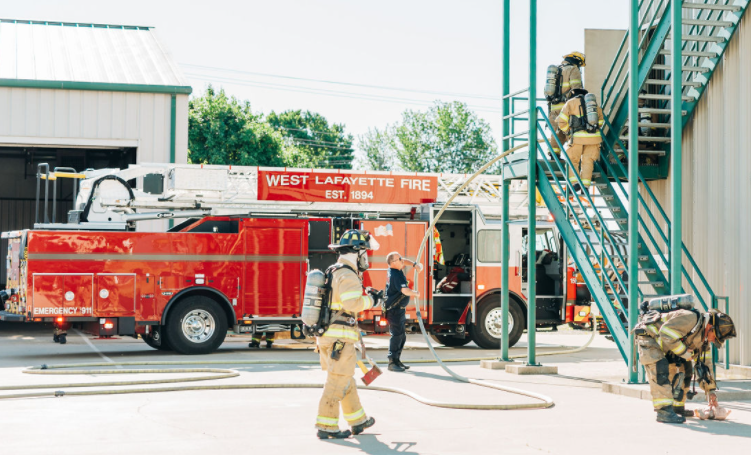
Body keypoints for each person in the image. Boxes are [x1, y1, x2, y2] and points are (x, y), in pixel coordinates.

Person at [315, 229, 379, 439]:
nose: (366, 257)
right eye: (364, 253)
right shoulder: (348, 273)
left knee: (345, 378)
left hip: (329, 337)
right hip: (339, 339)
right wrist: (374, 301)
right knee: (337, 380)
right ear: (356, 252)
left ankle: (358, 421)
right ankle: (326, 426)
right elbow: (353, 303)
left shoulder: (334, 270)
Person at [634, 304, 736, 423]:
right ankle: (664, 412)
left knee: (686, 369)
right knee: (660, 371)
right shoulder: (690, 318)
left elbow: (706, 366)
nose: (713, 341)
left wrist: (711, 391)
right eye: (715, 337)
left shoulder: (703, 340)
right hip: (649, 338)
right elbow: (666, 332)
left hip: (666, 344)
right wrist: (683, 351)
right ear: (710, 327)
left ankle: (677, 408)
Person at [556, 88, 604, 194]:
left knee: (572, 160)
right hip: (594, 139)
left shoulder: (570, 103)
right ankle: (585, 187)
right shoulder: (594, 105)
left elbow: (561, 121)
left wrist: (568, 132)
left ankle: (575, 184)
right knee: (588, 161)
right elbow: (600, 120)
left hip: (577, 138)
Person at [384, 251, 422, 372]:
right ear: (393, 262)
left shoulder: (394, 270)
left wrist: (414, 264)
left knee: (402, 336)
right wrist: (415, 293)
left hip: (397, 310)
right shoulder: (396, 275)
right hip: (395, 310)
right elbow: (405, 291)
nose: (402, 261)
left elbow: (403, 260)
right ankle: (392, 362)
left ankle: (397, 360)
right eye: (399, 259)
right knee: (397, 335)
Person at [547, 52, 585, 158]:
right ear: (576, 61)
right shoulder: (573, 69)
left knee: (557, 132)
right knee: (572, 132)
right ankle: (575, 158)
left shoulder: (556, 71)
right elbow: (576, 89)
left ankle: (554, 154)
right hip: (567, 108)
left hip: (554, 109)